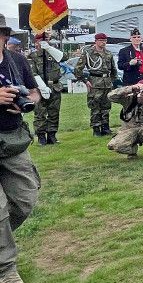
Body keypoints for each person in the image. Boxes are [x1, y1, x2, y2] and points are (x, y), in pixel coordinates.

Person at [0, 14, 41, 283]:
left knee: (26, 198)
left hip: (12, 138)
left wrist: (27, 99)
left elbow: (36, 91)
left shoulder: (16, 59)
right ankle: (6, 269)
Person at [107, 80, 143, 160]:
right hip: (130, 130)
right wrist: (130, 88)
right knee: (113, 145)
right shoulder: (129, 99)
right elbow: (110, 96)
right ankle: (132, 151)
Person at [74, 33, 117, 136]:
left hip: (106, 83)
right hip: (95, 83)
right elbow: (77, 69)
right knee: (95, 107)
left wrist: (111, 80)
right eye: (101, 40)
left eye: (105, 41)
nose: (103, 42)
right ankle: (96, 129)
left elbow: (113, 69)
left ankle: (105, 128)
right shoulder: (88, 53)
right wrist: (84, 80)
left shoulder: (108, 53)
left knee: (106, 106)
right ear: (96, 41)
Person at [28, 32, 66, 145]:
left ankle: (52, 135)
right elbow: (32, 72)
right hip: (40, 88)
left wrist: (49, 48)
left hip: (55, 86)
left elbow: (64, 58)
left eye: (47, 40)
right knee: (40, 113)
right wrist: (42, 86)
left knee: (54, 112)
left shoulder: (53, 53)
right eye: (42, 40)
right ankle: (41, 136)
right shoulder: (33, 56)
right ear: (36, 42)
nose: (46, 41)